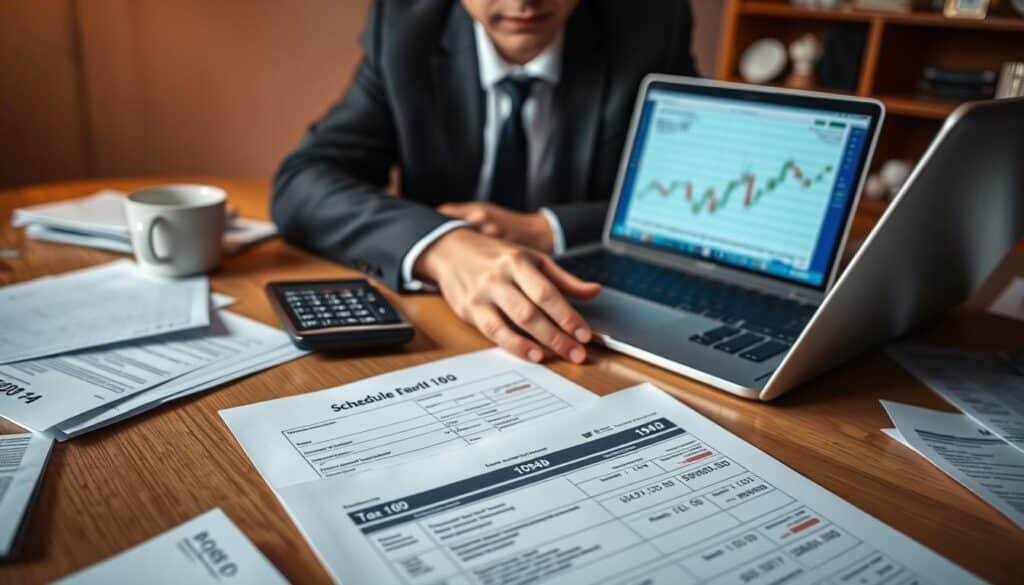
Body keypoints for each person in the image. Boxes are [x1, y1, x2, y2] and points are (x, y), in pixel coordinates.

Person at [272, 0, 698, 364]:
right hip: (446, 329)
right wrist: (441, 245)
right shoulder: (404, 25)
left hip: (601, 319)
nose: (525, 0)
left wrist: (548, 229)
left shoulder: (653, 22)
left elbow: (693, 196)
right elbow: (302, 181)